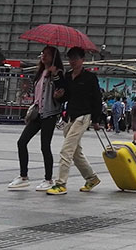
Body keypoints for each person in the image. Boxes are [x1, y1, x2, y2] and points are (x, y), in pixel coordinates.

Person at [46, 47, 103, 195]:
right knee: (76, 152)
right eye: (70, 59)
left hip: (83, 116)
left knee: (66, 150)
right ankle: (91, 178)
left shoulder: (90, 78)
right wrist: (58, 95)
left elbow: (97, 99)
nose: (72, 62)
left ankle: (61, 184)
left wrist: (96, 120)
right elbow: (65, 95)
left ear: (82, 60)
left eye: (75, 59)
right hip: (70, 116)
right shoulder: (68, 75)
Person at [8, 46, 65, 191]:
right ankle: (23, 176)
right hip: (38, 113)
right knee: (22, 142)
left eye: (46, 54)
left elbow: (63, 92)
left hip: (50, 114)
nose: (43, 56)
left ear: (54, 57)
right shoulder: (40, 73)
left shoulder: (58, 73)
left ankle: (48, 179)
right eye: (42, 53)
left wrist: (56, 76)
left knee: (45, 146)